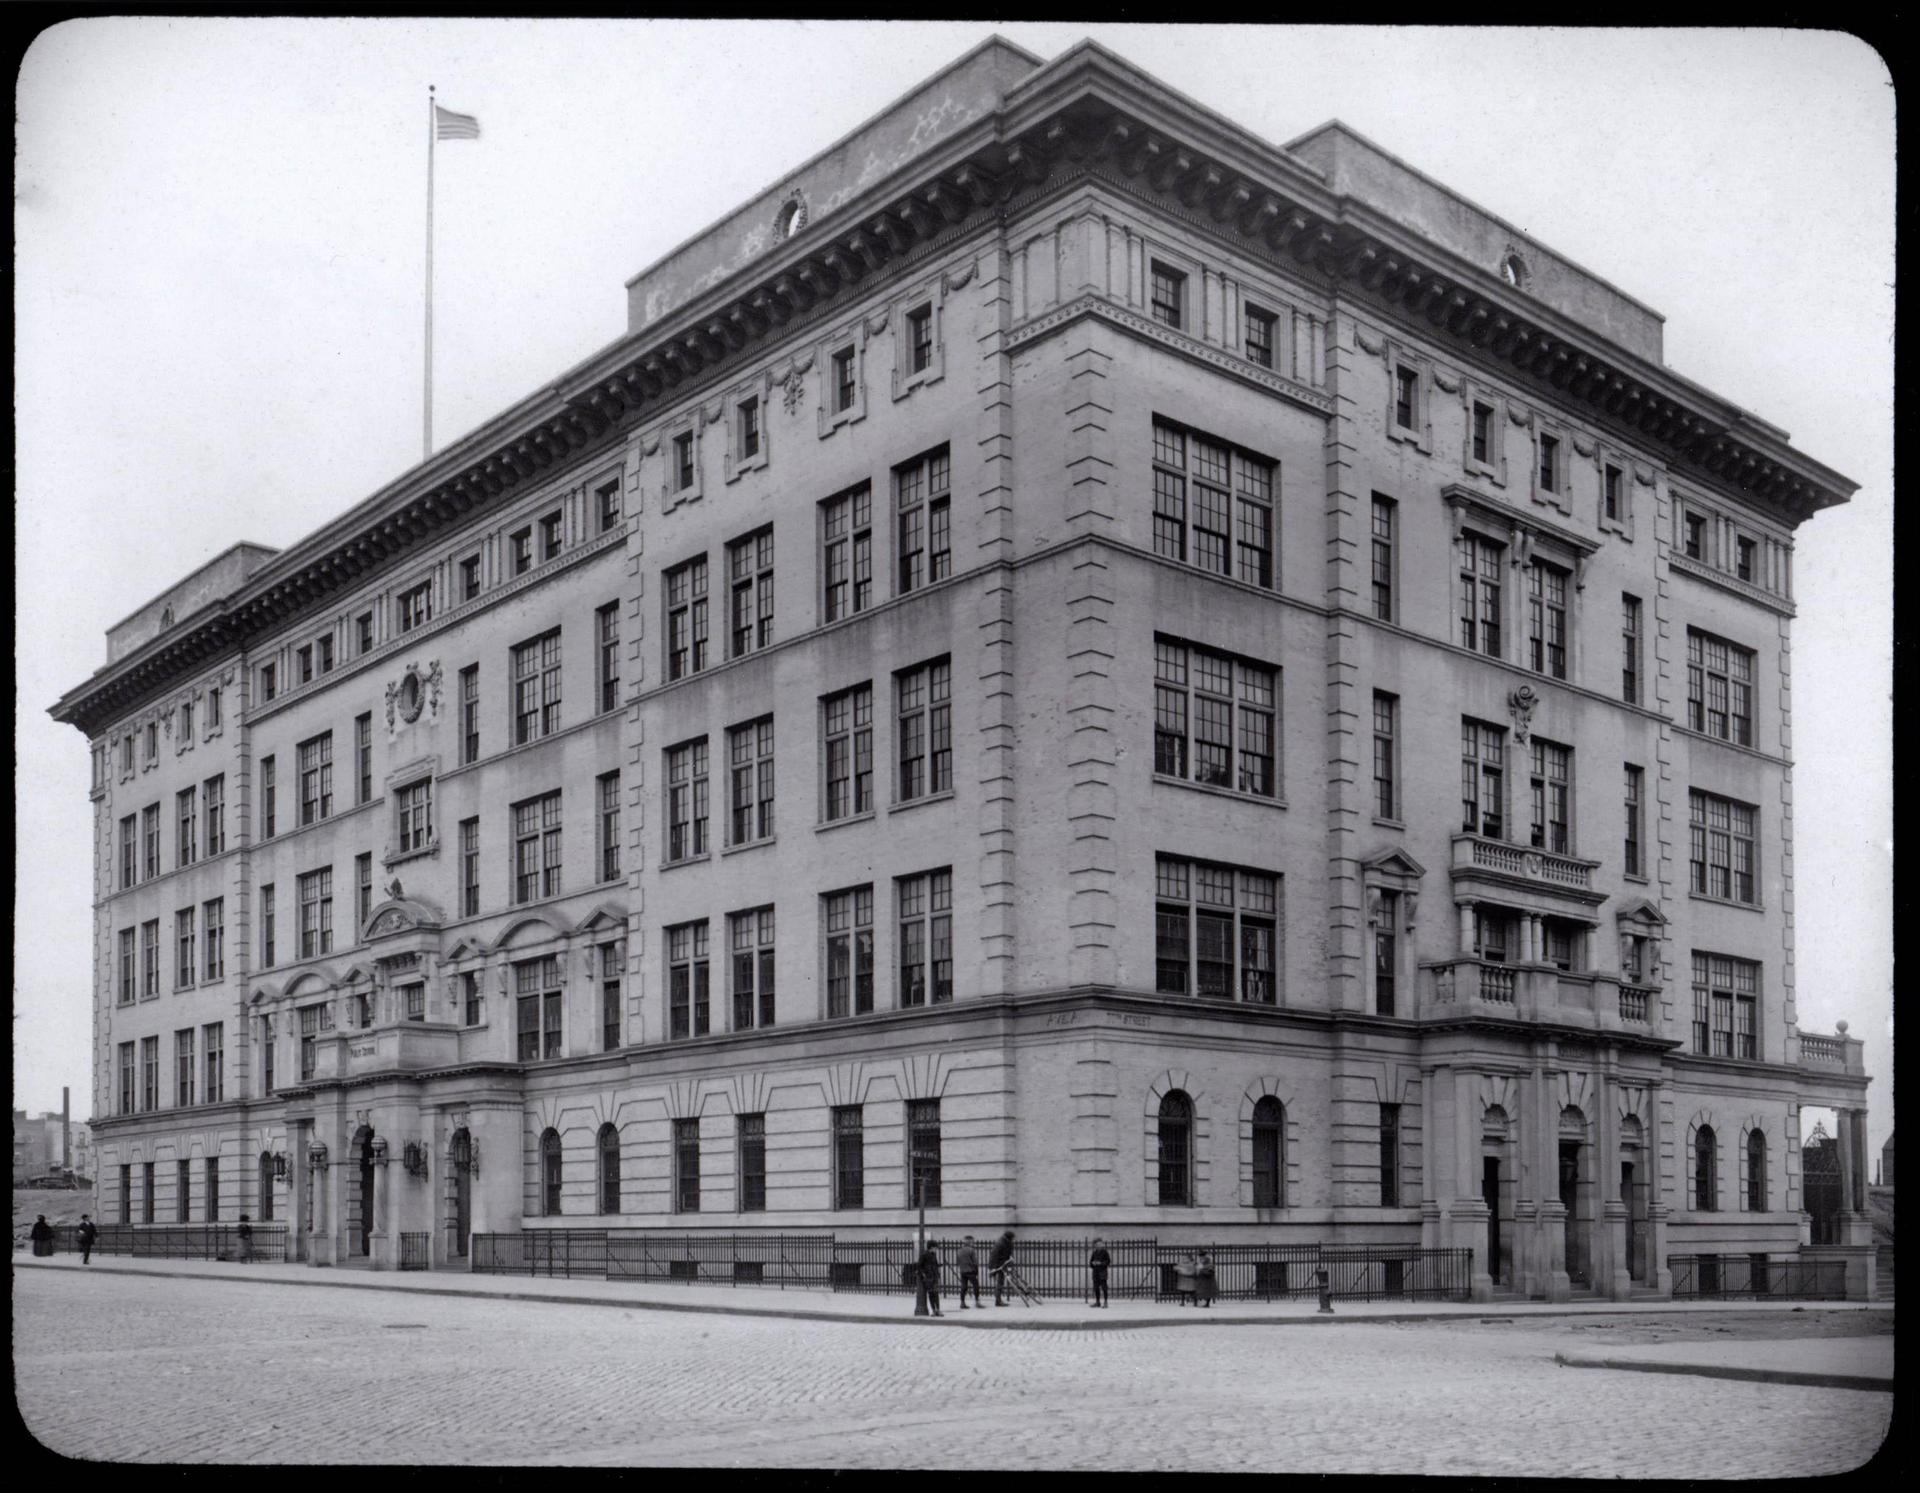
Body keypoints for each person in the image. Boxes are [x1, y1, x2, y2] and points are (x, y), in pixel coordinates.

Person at [989, 1230, 1016, 1306]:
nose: (1013, 1240)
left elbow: (1010, 1252)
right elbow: (993, 1255)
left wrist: (1011, 1259)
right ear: (1009, 1238)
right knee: (1000, 1283)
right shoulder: (1000, 1243)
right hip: (998, 1265)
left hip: (1004, 1262)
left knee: (1005, 1280)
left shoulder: (1008, 1243)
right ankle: (998, 1301)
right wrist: (993, 1268)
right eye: (1012, 1238)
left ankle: (999, 1300)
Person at [918, 1241, 944, 1318]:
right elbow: (919, 1266)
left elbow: (935, 1264)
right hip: (928, 1277)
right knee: (931, 1294)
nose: (936, 1249)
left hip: (934, 1276)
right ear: (932, 1247)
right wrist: (924, 1274)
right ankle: (934, 1310)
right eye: (935, 1247)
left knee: (936, 1294)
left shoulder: (933, 1254)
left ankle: (938, 1310)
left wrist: (939, 1266)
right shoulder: (924, 1255)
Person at [956, 1236, 981, 1309]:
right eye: (972, 1242)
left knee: (964, 1287)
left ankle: (962, 1303)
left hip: (962, 1271)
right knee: (976, 1286)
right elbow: (975, 1262)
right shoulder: (971, 1250)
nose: (973, 1243)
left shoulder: (959, 1250)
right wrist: (976, 1271)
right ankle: (977, 1302)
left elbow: (958, 1262)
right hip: (971, 1271)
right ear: (969, 1242)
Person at [1088, 1238, 1111, 1309]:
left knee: (1104, 1287)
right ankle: (1098, 1302)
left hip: (1102, 1272)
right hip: (1095, 1272)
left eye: (1100, 1244)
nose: (1099, 1245)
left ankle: (1106, 1302)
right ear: (1095, 1245)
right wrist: (1093, 1263)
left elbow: (1108, 1261)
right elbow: (1090, 1263)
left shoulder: (1105, 1252)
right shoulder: (1094, 1252)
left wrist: (1100, 1263)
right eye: (1097, 1244)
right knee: (1096, 1288)